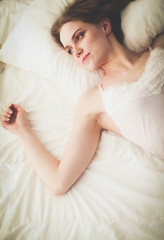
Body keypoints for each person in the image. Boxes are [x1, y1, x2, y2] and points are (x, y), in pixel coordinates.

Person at [1, 0, 164, 195]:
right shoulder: (93, 102)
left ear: (105, 26)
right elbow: (59, 182)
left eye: (79, 37)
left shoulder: (158, 48)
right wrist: (22, 131)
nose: (76, 52)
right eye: (69, 50)